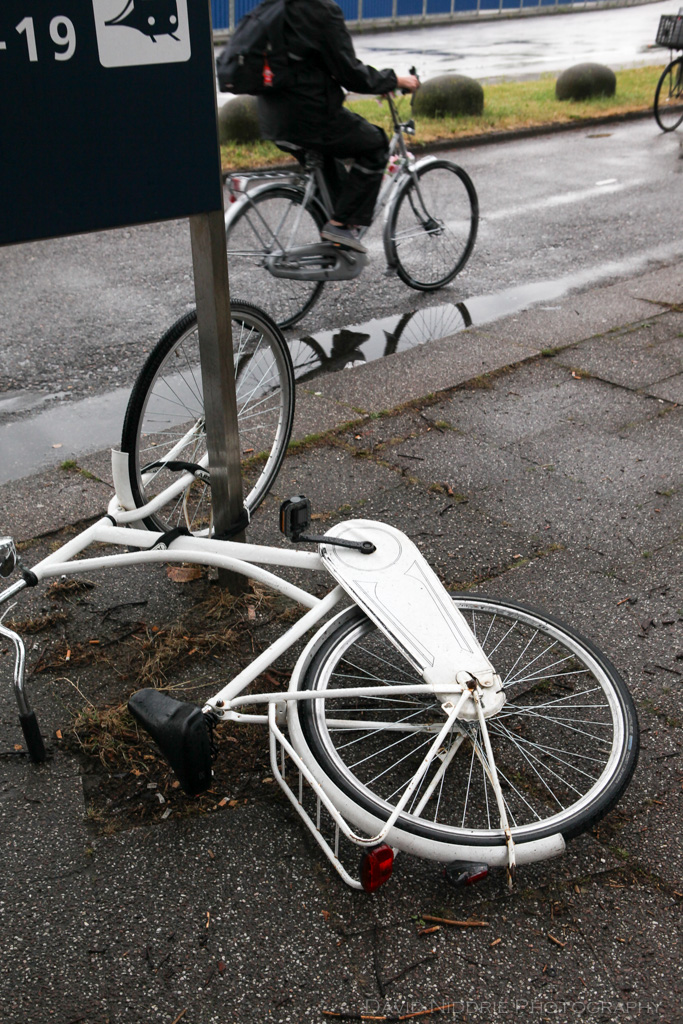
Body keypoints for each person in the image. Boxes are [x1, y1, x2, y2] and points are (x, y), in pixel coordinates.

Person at [256, 0, 419, 254]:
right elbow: (350, 73)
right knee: (375, 143)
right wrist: (394, 79)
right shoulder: (322, 10)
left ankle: (335, 242)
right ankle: (339, 226)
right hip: (310, 116)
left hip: (272, 116)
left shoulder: (275, 7)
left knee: (334, 176)